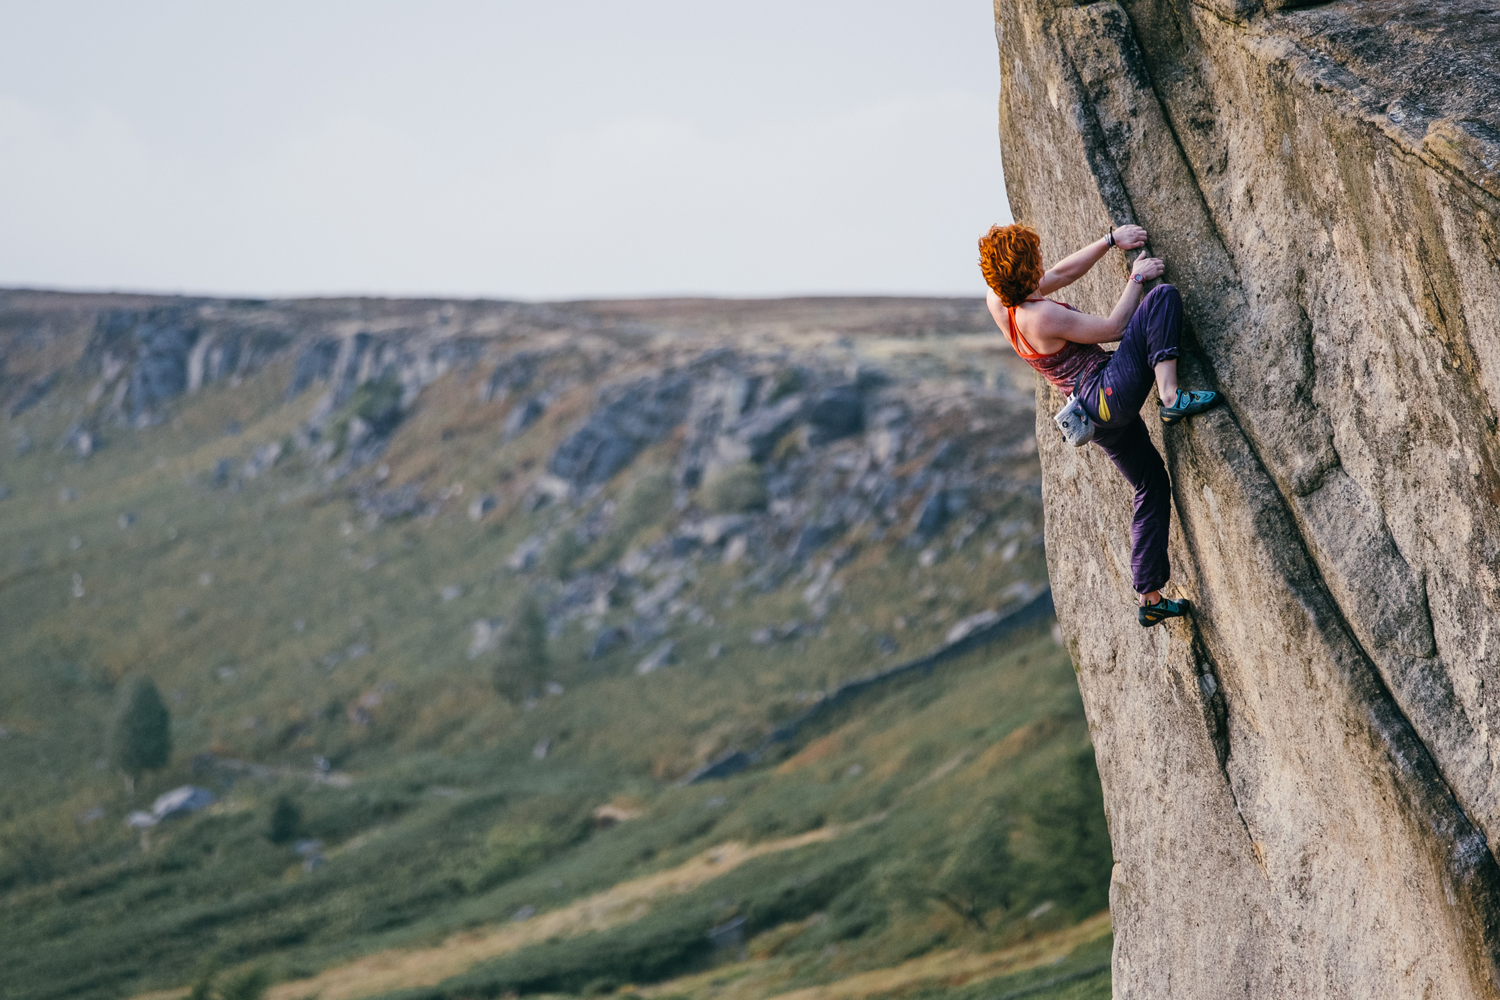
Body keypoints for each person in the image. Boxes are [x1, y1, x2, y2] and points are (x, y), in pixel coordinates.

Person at [978, 222, 1220, 627]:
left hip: (1092, 418)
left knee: (1152, 482)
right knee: (1161, 298)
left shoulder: (1000, 303)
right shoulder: (1040, 317)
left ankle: (1151, 597)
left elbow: (1057, 275)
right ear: (1025, 268)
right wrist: (1136, 279)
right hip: (1106, 394)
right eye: (1035, 257)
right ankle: (1172, 396)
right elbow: (1116, 328)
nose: (1042, 261)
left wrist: (1109, 241)